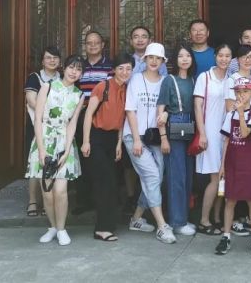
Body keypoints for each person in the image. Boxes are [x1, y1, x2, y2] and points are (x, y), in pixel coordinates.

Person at [26, 54, 85, 247]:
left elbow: (72, 123)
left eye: (78, 69)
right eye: (71, 67)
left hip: (64, 143)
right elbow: (38, 119)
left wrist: (67, 151)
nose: (74, 72)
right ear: (64, 68)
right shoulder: (47, 87)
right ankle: (52, 227)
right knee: (47, 191)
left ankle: (61, 229)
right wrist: (41, 149)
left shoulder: (79, 95)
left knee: (60, 191)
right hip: (43, 140)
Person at [123, 42, 176, 244]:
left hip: (154, 137)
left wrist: (166, 114)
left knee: (155, 178)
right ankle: (162, 226)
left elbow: (169, 107)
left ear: (163, 61)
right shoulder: (135, 79)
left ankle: (136, 218)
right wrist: (136, 139)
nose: (154, 61)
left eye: (158, 58)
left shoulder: (165, 81)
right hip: (134, 137)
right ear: (144, 59)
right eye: (150, 57)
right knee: (153, 176)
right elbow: (130, 110)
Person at [80, 53, 133, 242]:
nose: (125, 72)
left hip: (113, 139)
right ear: (114, 70)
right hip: (97, 137)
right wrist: (86, 141)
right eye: (121, 68)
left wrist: (119, 143)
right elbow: (88, 114)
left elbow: (122, 119)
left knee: (112, 183)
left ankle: (107, 226)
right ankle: (102, 228)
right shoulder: (103, 86)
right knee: (105, 182)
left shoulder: (127, 90)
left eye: (128, 68)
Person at [215, 76, 251, 256]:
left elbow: (244, 133)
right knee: (230, 200)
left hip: (250, 163)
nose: (241, 95)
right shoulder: (230, 114)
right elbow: (227, 140)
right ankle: (226, 235)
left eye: (245, 91)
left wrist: (242, 113)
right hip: (232, 162)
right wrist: (222, 165)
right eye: (238, 92)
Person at [157, 43, 197, 237]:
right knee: (176, 177)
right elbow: (160, 111)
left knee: (187, 176)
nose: (184, 59)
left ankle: (184, 217)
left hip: (191, 128)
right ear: (175, 59)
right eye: (181, 56)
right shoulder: (169, 80)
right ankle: (177, 221)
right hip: (175, 129)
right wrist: (163, 138)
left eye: (188, 55)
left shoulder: (194, 80)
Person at [194, 43, 233, 235]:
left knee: (223, 177)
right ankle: (203, 220)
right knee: (215, 178)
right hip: (209, 133)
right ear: (215, 56)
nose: (224, 59)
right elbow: (197, 106)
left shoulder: (231, 79)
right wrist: (202, 133)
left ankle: (217, 218)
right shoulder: (205, 77)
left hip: (225, 135)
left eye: (227, 56)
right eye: (221, 55)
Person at [73, 30, 113, 216]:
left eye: (96, 42)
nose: (93, 45)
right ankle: (84, 200)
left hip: (103, 118)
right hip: (82, 117)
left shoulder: (110, 67)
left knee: (102, 161)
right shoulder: (79, 66)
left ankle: (102, 202)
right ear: (85, 45)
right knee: (83, 159)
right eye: (89, 42)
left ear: (102, 45)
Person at [23, 46, 61, 217]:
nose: (52, 60)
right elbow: (31, 100)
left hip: (58, 128)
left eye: (55, 57)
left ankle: (48, 203)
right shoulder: (35, 77)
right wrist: (50, 113)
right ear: (42, 61)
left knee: (54, 164)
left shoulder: (63, 78)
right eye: (48, 57)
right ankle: (32, 201)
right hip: (37, 126)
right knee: (36, 164)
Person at [225, 45, 251, 112]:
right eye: (244, 57)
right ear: (237, 60)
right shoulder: (232, 80)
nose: (247, 60)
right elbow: (230, 109)